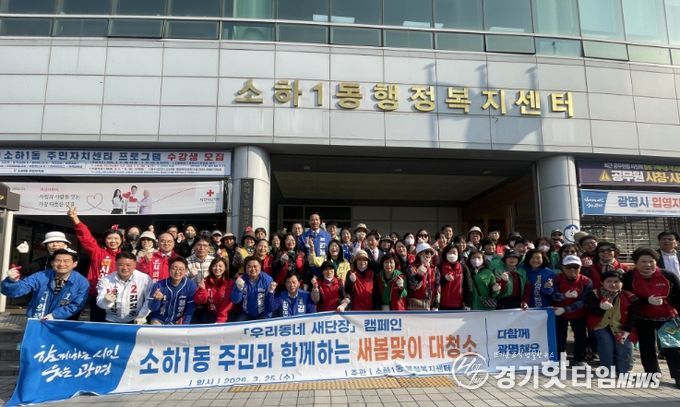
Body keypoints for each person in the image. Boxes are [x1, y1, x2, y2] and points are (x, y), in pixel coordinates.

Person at [623, 247, 680, 387]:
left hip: (667, 318)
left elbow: (678, 297)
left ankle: (678, 376)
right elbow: (627, 297)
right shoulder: (629, 277)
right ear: (636, 263)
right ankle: (652, 375)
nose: (647, 264)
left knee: (672, 348)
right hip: (642, 318)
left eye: (651, 261)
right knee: (647, 348)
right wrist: (646, 300)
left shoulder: (668, 275)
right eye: (643, 261)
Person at [68, 205, 123, 322]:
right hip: (97, 295)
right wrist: (75, 219)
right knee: (97, 322)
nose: (113, 241)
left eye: (116, 238)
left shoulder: (125, 257)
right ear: (104, 240)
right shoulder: (97, 252)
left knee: (115, 325)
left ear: (121, 240)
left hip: (119, 296)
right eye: (109, 238)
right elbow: (86, 238)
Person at [1, 248, 88, 320]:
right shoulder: (40, 276)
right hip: (37, 321)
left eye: (66, 261)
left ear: (74, 264)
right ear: (52, 263)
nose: (62, 264)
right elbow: (17, 291)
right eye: (58, 260)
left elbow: (77, 304)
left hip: (64, 325)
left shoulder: (81, 282)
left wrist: (54, 315)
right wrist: (11, 281)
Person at [586, 269, 638, 376]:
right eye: (609, 281)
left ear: (622, 283)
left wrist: (626, 331)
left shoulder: (630, 297)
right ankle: (607, 369)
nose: (613, 284)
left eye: (616, 281)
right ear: (602, 282)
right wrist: (601, 308)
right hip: (600, 325)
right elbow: (592, 312)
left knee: (624, 343)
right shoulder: (594, 294)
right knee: (606, 342)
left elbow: (633, 316)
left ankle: (624, 370)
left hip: (621, 326)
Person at [552, 255, 592, 367]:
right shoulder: (556, 279)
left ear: (580, 268)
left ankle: (580, 359)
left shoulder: (586, 281)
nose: (572, 269)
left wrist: (566, 309)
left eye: (576, 267)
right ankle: (560, 359)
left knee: (580, 337)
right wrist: (564, 296)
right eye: (568, 267)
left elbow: (584, 301)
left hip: (578, 313)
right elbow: (553, 295)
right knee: (560, 336)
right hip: (559, 313)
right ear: (563, 268)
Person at [96, 251, 152, 324]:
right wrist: (106, 301)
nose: (125, 268)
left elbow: (150, 299)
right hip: (112, 320)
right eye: (121, 265)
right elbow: (99, 302)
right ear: (115, 265)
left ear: (135, 265)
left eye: (128, 265)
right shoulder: (106, 280)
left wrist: (141, 316)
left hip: (136, 319)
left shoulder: (144, 279)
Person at [147, 257, 197, 325]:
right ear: (169, 269)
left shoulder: (190, 285)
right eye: (174, 268)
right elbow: (152, 308)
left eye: (181, 269)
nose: (177, 272)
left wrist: (185, 323)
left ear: (186, 271)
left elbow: (190, 309)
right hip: (159, 319)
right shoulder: (159, 285)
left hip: (179, 321)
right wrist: (156, 300)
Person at [230, 256, 275, 321]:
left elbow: (270, 302)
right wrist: (238, 289)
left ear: (260, 267)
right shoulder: (241, 279)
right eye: (249, 267)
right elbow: (235, 300)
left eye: (255, 266)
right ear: (245, 268)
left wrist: (266, 318)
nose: (253, 269)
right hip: (245, 313)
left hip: (262, 314)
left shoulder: (267, 280)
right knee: (237, 325)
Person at [194, 257, 234, 323]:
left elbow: (227, 304)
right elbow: (199, 301)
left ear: (225, 268)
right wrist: (202, 290)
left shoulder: (230, 283)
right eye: (215, 266)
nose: (217, 268)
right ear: (211, 268)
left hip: (227, 315)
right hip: (211, 313)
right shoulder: (205, 281)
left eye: (220, 266)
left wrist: (220, 320)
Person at [298, 213, 332, 281]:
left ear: (320, 221)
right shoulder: (303, 237)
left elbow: (330, 253)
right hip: (309, 272)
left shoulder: (327, 236)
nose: (315, 222)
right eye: (312, 220)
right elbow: (301, 255)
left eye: (317, 219)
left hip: (324, 271)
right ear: (309, 222)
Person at [406, 243, 440, 311]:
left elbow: (438, 287)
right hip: (415, 305)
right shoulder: (411, 267)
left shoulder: (435, 269)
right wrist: (418, 275)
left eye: (431, 252)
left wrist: (436, 303)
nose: (429, 254)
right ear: (419, 254)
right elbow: (412, 286)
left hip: (431, 306)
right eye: (427, 252)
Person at [439, 243, 472, 310]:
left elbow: (468, 286)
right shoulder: (440, 266)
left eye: (454, 252)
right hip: (442, 304)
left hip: (459, 305)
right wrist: (444, 279)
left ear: (458, 254)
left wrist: (468, 303)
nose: (452, 254)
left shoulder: (463, 267)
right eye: (449, 252)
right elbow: (435, 284)